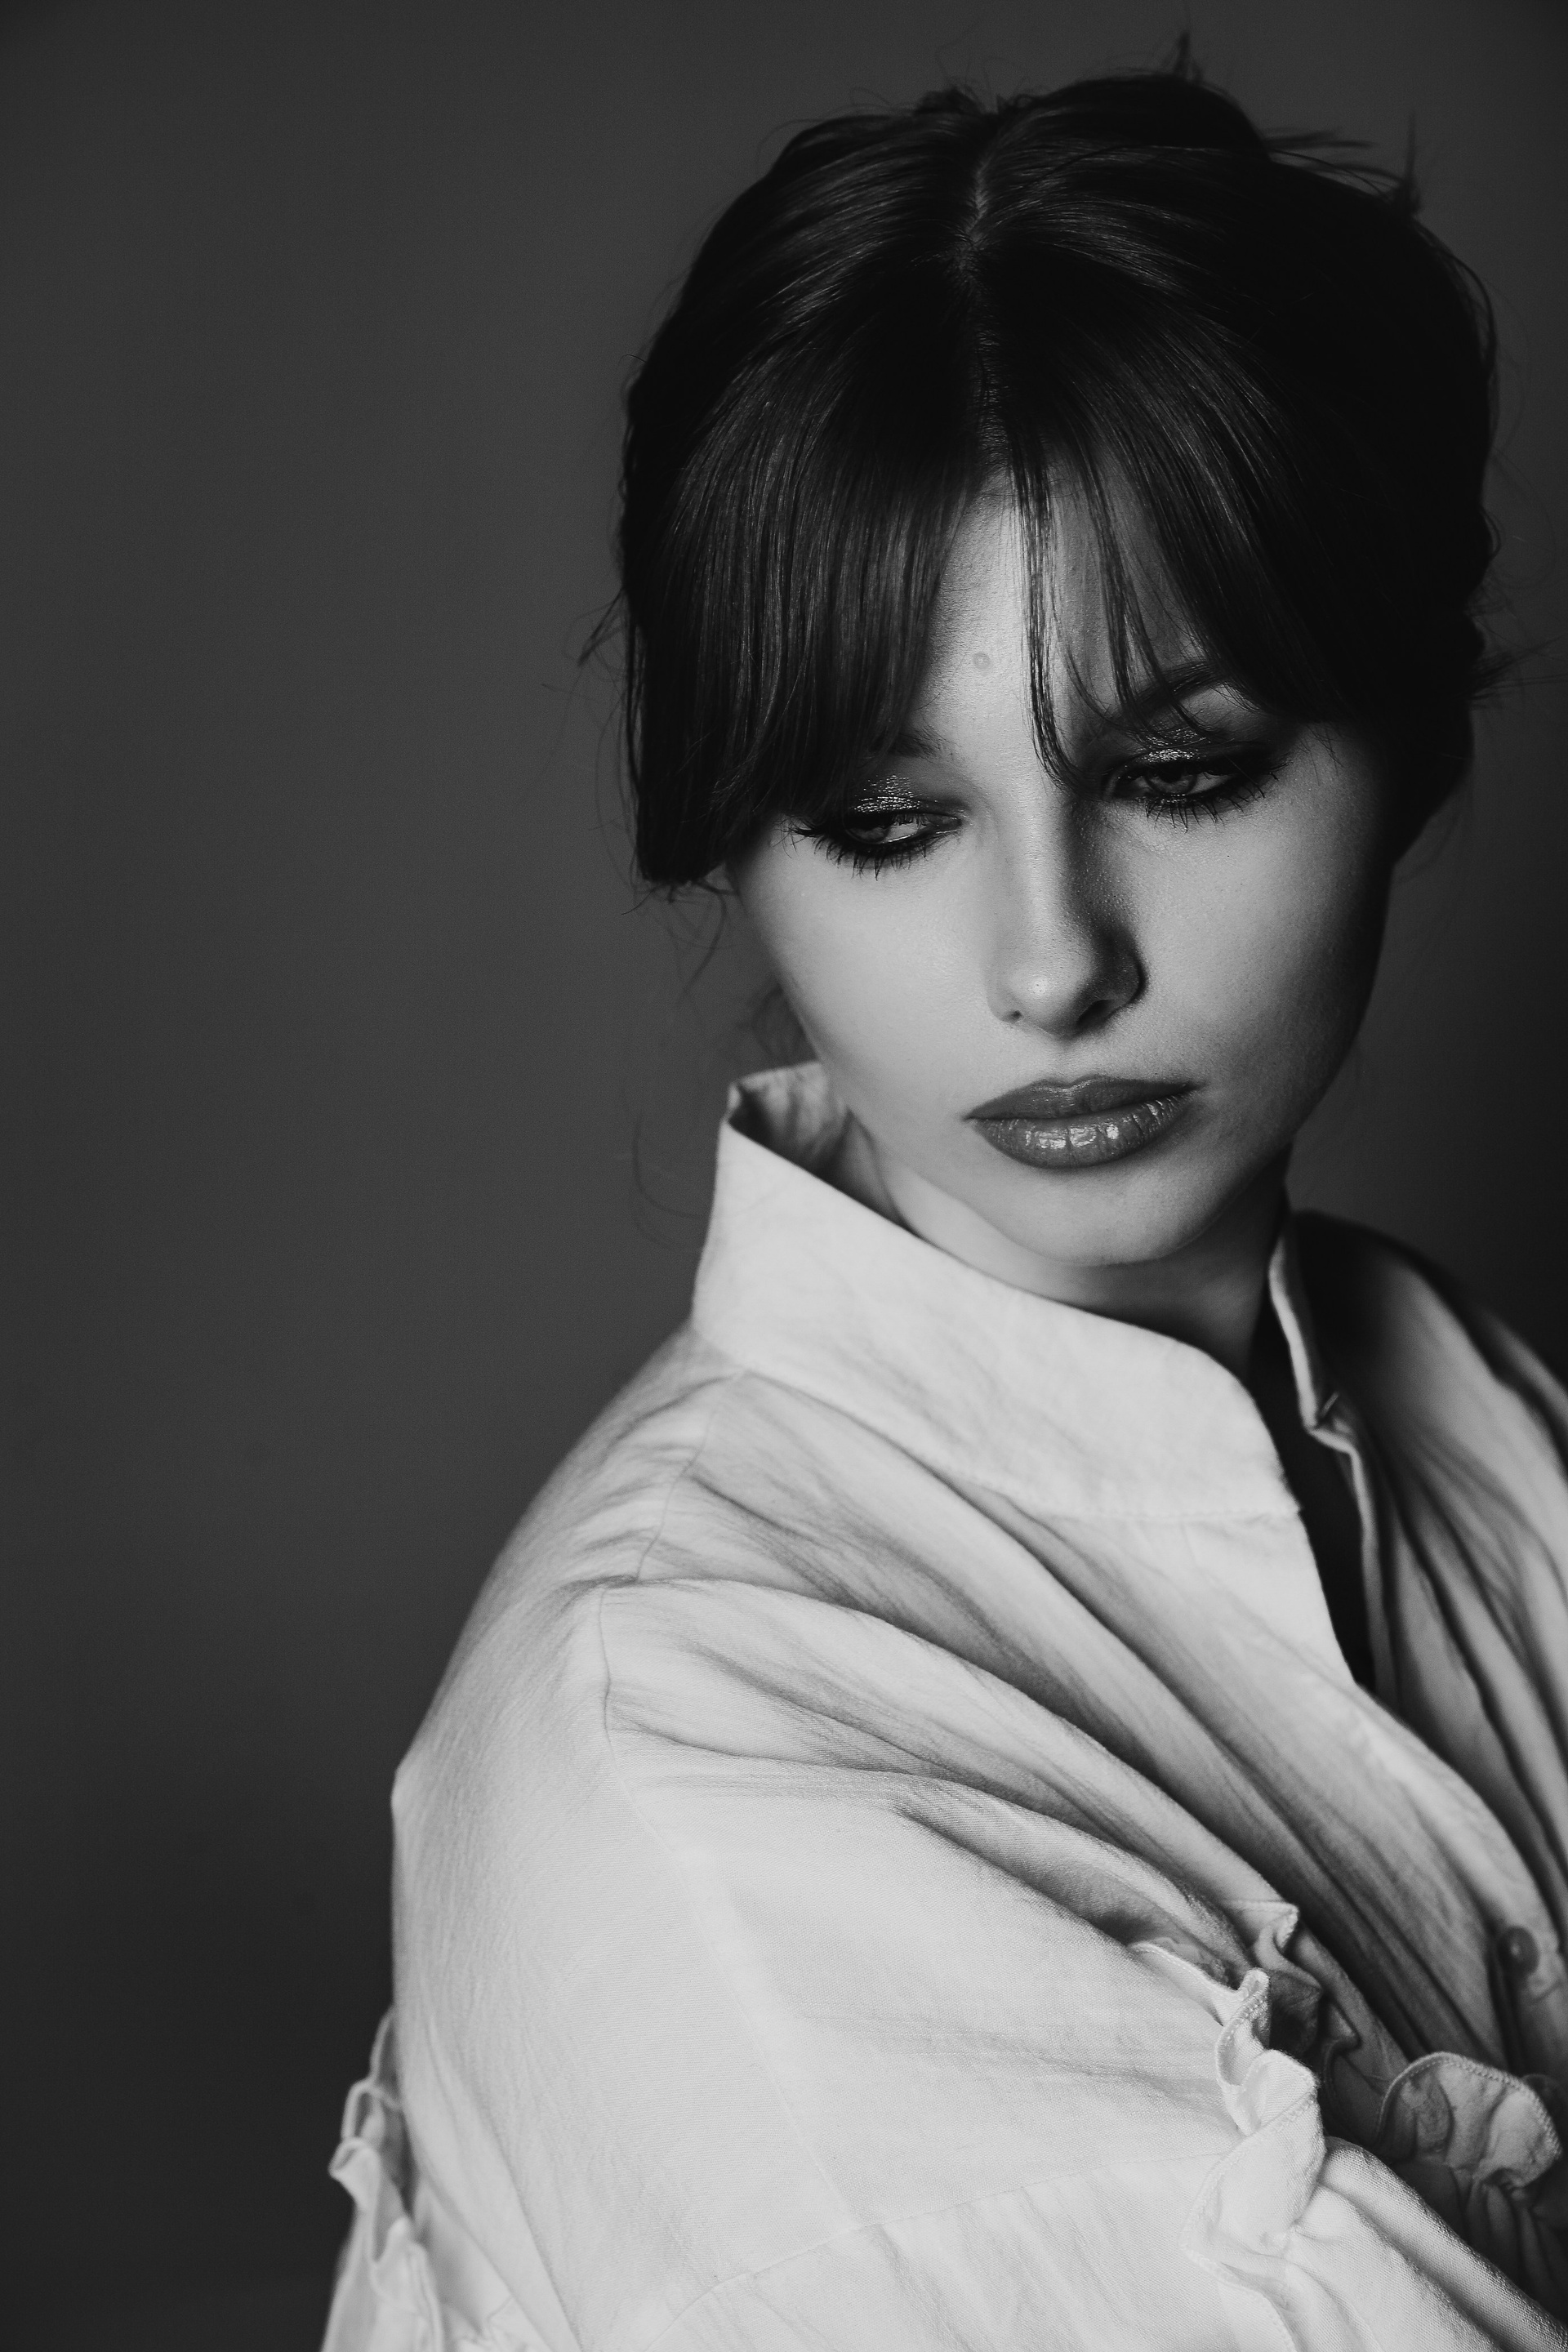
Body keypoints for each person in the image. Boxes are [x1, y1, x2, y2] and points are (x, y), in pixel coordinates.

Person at [321, 65, 1568, 2351]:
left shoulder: (1469, 1414)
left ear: (1418, 747)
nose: (1048, 965)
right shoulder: (696, 1785)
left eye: (1181, 769)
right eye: (890, 820)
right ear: (737, 842)